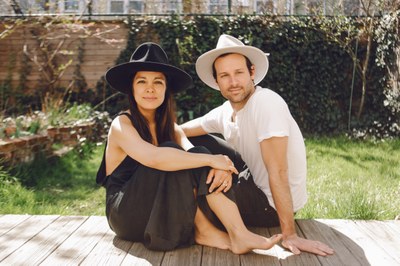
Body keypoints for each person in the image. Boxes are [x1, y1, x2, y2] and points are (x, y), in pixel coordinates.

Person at [95, 42, 282, 254]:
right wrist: (212, 160)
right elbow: (154, 157)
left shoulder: (171, 127)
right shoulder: (122, 125)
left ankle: (235, 233)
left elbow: (193, 154)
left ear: (166, 90)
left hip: (160, 208)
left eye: (158, 82)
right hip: (126, 214)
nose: (150, 88)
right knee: (176, 153)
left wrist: (218, 166)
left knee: (195, 154)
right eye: (142, 81)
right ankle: (208, 231)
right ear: (132, 88)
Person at [180, 34, 334, 256]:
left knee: (198, 166)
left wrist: (289, 234)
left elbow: (279, 171)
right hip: (252, 181)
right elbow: (180, 131)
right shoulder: (225, 111)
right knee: (196, 145)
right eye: (225, 75)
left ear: (252, 73)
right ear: (216, 81)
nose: (233, 82)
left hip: (271, 205)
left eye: (239, 73)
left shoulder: (266, 103)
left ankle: (221, 233)